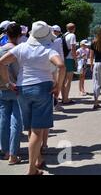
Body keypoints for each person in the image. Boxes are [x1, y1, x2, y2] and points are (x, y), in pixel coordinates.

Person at [0, 21, 66, 175]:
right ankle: (31, 170)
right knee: (37, 130)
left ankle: (37, 159)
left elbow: (2, 62)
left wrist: (8, 83)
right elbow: (61, 66)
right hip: (42, 88)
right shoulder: (48, 49)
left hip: (23, 88)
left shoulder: (21, 48)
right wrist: (58, 86)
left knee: (31, 128)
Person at [0, 23, 23, 165]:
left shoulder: (1, 50)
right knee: (16, 122)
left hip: (3, 88)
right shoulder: (19, 50)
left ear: (6, 34)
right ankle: (13, 154)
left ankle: (5, 150)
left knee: (3, 120)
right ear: (19, 35)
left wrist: (6, 83)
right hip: (18, 89)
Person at [61, 23, 77, 105]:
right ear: (74, 28)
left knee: (62, 80)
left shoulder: (64, 35)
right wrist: (75, 59)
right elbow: (73, 48)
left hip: (62, 58)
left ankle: (63, 97)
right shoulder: (72, 35)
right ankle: (66, 99)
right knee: (69, 79)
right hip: (69, 58)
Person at [51, 25, 65, 111]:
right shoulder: (59, 40)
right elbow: (61, 52)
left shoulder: (45, 39)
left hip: (46, 64)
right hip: (56, 63)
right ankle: (55, 103)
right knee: (57, 84)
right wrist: (63, 64)